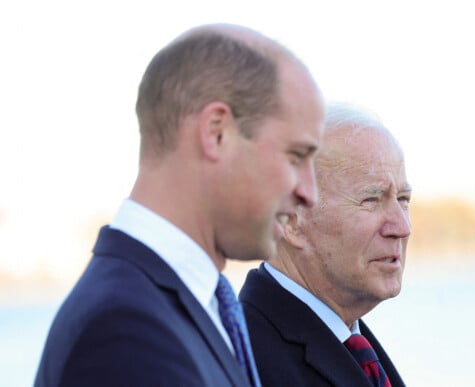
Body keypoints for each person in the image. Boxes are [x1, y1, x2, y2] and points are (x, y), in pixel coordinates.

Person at [34, 23, 325, 387]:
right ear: (216, 133)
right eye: (296, 155)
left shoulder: (181, 305)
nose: (309, 193)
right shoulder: (125, 331)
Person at [239, 103, 411, 387]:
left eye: (403, 199)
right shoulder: (248, 361)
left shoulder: (351, 342)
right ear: (291, 219)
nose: (403, 227)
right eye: (371, 200)